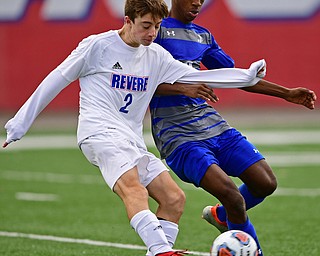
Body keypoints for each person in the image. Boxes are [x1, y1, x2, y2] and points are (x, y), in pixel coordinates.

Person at [2, 0, 268, 255]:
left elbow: (199, 76)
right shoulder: (98, 46)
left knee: (173, 198)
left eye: (156, 26)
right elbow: (56, 79)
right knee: (134, 189)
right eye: (145, 25)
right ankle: (163, 251)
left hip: (131, 139)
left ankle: (158, 253)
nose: (152, 33)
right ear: (128, 20)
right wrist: (20, 124)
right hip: (99, 133)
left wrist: (246, 75)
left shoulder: (156, 56)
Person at [150, 0, 317, 255]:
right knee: (233, 196)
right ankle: (253, 249)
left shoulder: (202, 35)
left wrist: (286, 93)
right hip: (177, 135)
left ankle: (221, 215)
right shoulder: (155, 31)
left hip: (211, 123)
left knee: (265, 182)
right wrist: (183, 87)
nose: (197, 2)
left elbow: (235, 75)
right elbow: (138, 80)